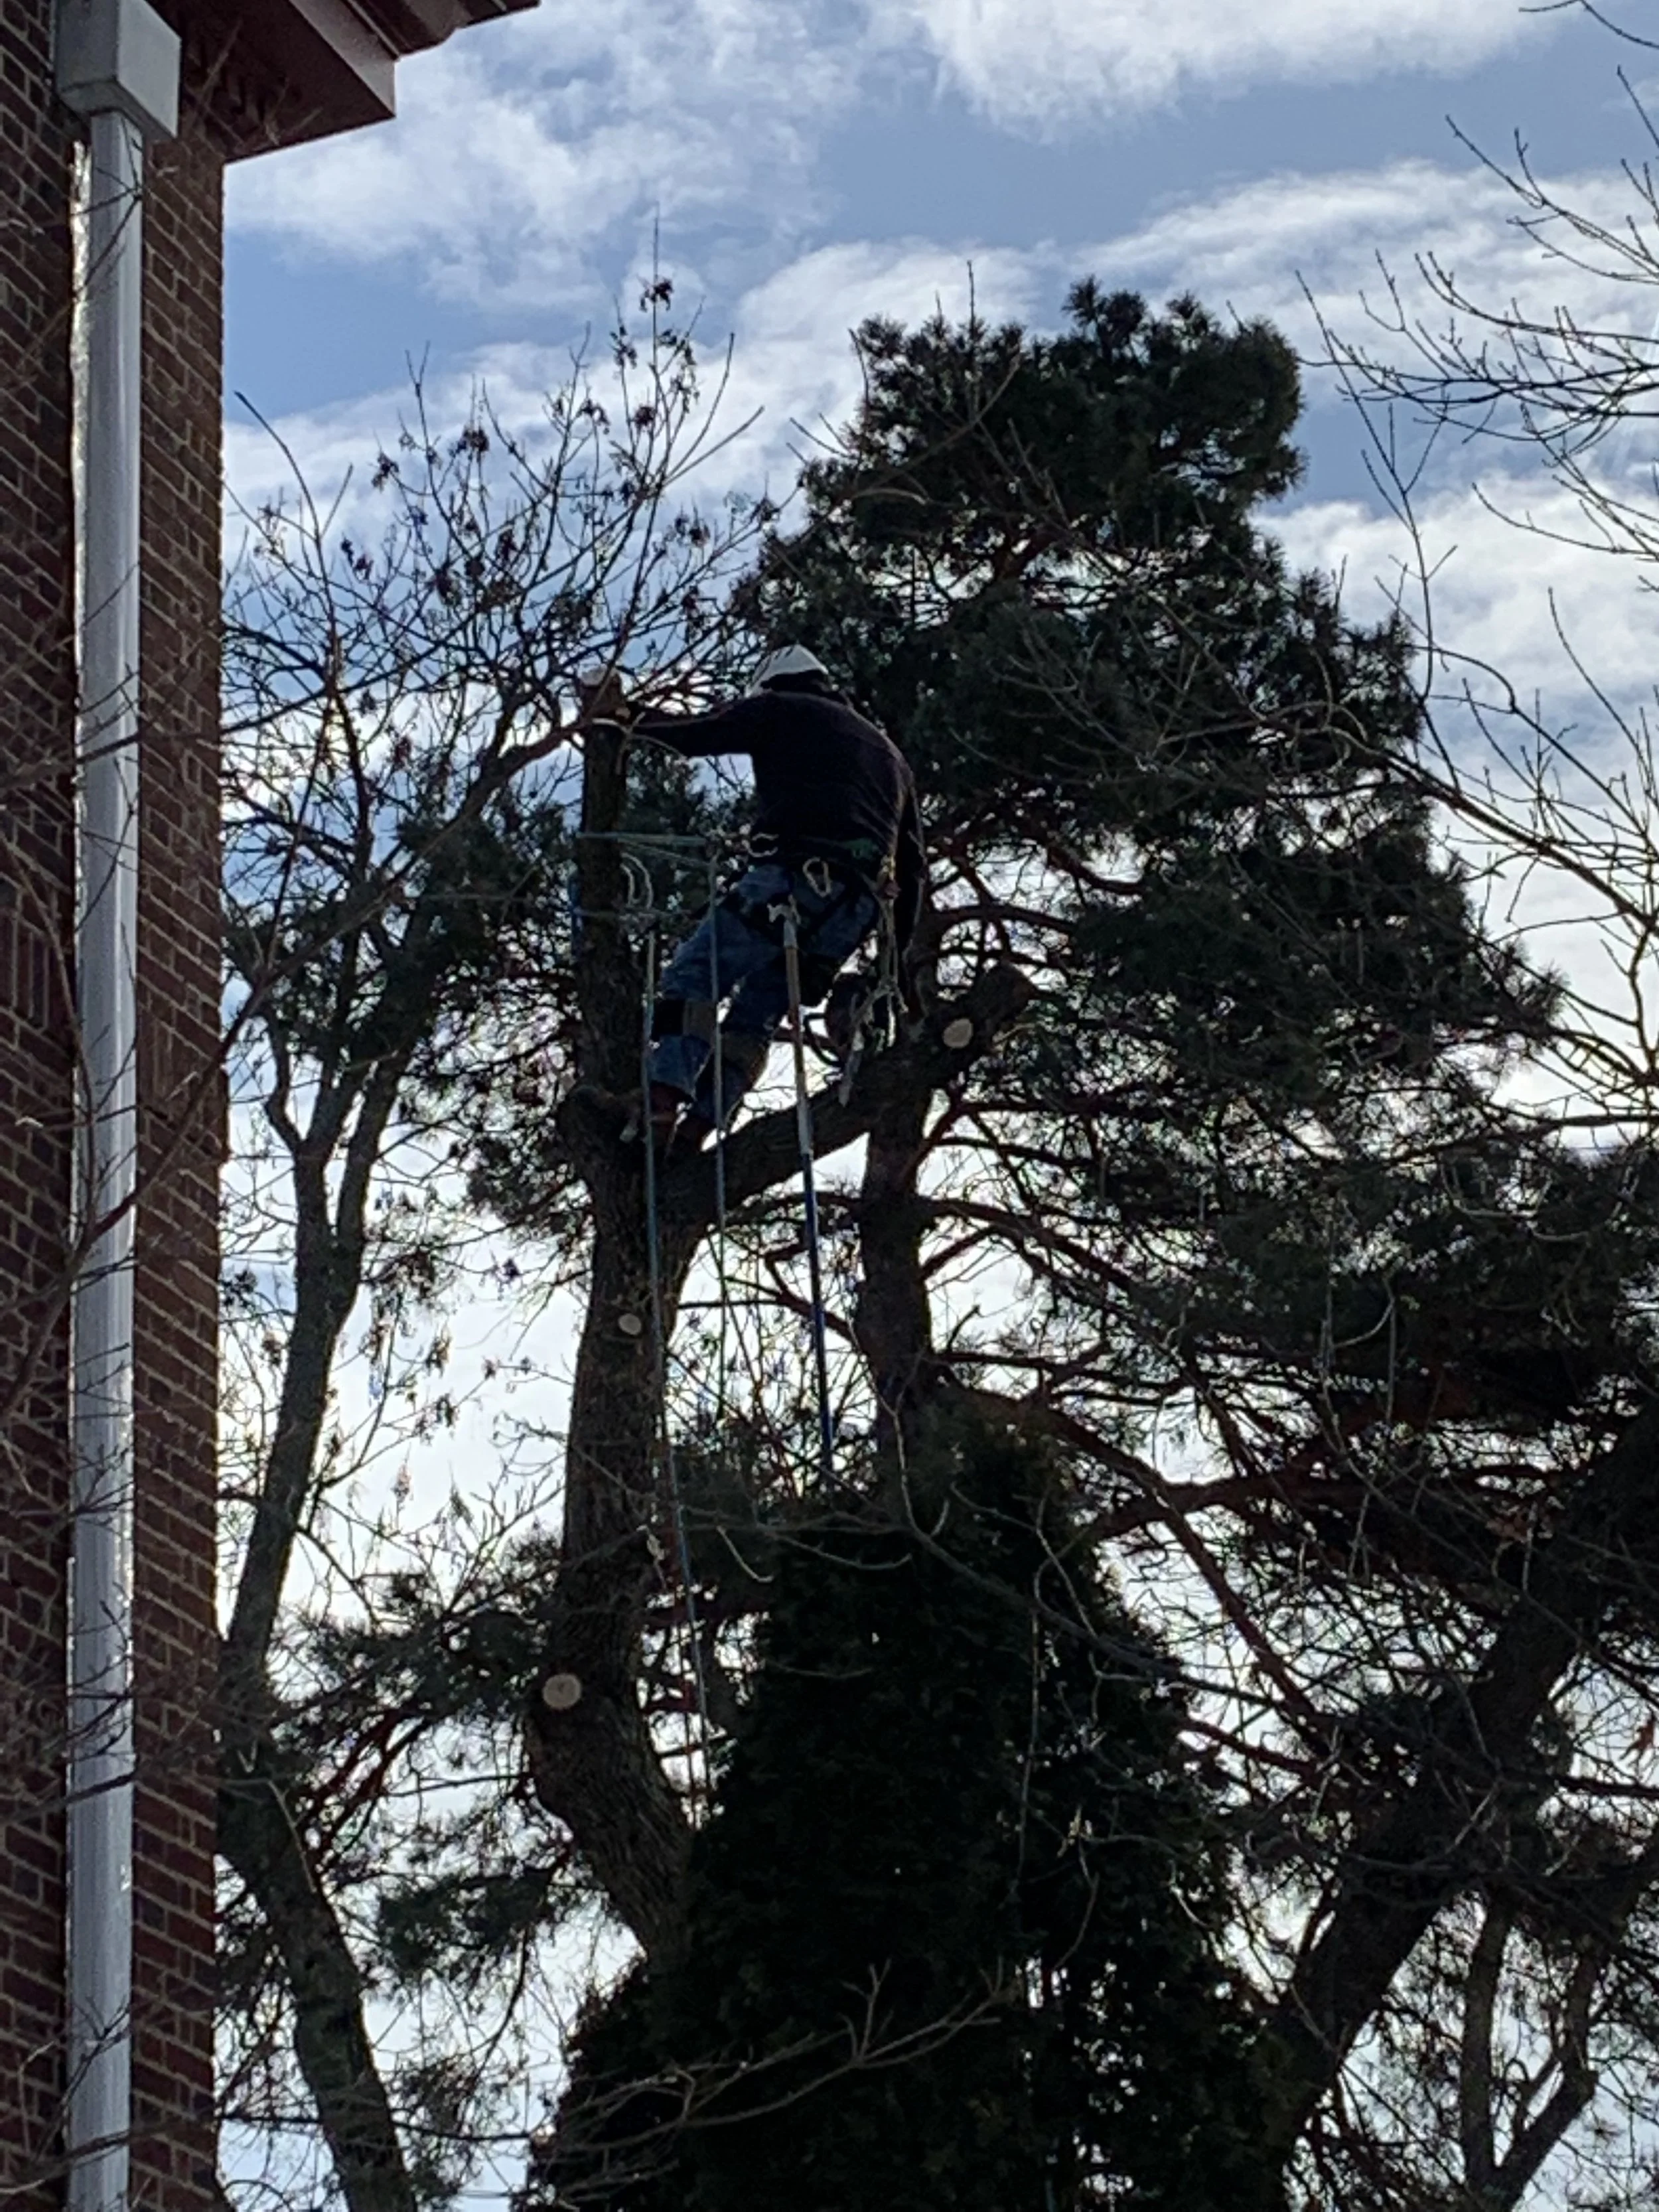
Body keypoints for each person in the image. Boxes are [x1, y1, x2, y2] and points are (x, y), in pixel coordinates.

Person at [620, 644, 926, 1149]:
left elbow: (697, 735)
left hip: (790, 880)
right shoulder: (892, 756)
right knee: (756, 1016)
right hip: (854, 909)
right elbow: (914, 871)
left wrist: (626, 718)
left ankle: (660, 1106)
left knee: (695, 978)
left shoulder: (778, 707)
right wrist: (888, 964)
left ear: (770, 683)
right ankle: (697, 1128)